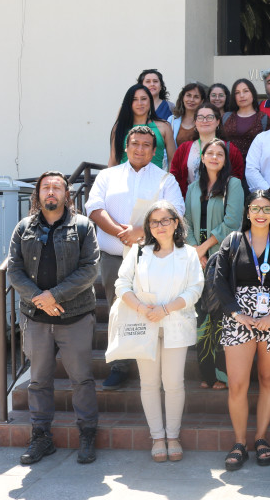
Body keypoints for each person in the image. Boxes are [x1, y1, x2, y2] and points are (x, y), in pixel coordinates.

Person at [9, 171, 100, 466]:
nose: (51, 191)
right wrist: (40, 299)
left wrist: (55, 296)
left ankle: (87, 434)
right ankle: (41, 437)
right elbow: (14, 270)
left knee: (82, 380)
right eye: (45, 187)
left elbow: (89, 270)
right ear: (38, 193)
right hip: (36, 318)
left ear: (66, 194)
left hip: (74, 317)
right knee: (38, 381)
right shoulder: (24, 228)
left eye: (56, 187)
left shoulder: (83, 227)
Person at [87, 126, 185, 391]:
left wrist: (141, 231)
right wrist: (122, 234)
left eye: (146, 145)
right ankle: (120, 365)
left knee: (154, 308)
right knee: (118, 310)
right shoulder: (108, 176)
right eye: (135, 144)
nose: (140, 149)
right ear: (126, 148)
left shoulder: (165, 179)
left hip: (153, 259)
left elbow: (176, 211)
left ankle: (154, 363)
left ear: (154, 151)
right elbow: (94, 208)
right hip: (114, 258)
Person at [215, 191, 270, 471]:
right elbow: (220, 281)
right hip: (238, 317)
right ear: (247, 212)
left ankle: (261, 438)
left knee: (267, 379)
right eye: (255, 208)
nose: (260, 213)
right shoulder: (233, 241)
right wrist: (236, 313)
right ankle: (239, 443)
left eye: (266, 208)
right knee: (237, 383)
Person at [114, 200, 204, 462]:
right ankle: (157, 437)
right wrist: (142, 308)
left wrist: (165, 310)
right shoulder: (138, 252)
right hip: (145, 323)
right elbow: (122, 284)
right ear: (148, 226)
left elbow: (195, 289)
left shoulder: (188, 253)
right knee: (149, 383)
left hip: (175, 323)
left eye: (166, 220)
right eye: (154, 222)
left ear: (176, 223)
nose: (160, 226)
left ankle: (173, 436)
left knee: (174, 383)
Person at [185, 139, 244, 390]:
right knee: (202, 316)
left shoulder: (233, 185)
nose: (214, 157)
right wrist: (195, 253)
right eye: (210, 153)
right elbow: (185, 221)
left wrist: (204, 248)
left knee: (221, 316)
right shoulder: (191, 188)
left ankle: (223, 375)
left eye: (220, 154)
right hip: (196, 260)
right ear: (202, 157)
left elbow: (232, 222)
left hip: (224, 258)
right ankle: (206, 373)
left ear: (225, 159)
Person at [169, 103, 245, 196]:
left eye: (209, 117)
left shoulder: (231, 150)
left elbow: (237, 177)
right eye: (200, 117)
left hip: (220, 202)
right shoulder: (183, 149)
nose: (205, 121)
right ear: (195, 122)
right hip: (190, 203)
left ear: (217, 121)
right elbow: (174, 177)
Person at [109, 84, 176, 170]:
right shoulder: (119, 127)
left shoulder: (164, 126)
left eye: (143, 99)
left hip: (156, 181)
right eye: (134, 99)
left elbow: (172, 160)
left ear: (150, 101)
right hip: (125, 181)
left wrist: (168, 180)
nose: (140, 103)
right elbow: (113, 161)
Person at [221, 79, 270, 157]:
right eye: (237, 93)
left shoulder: (264, 119)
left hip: (255, 166)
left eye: (245, 91)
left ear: (252, 93)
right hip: (229, 165)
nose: (241, 95)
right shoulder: (226, 117)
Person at [167, 82, 207, 147]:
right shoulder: (172, 120)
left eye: (196, 97)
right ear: (183, 97)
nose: (191, 100)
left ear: (202, 101)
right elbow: (166, 147)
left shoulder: (206, 121)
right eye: (188, 95)